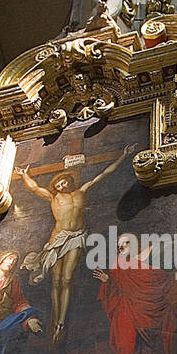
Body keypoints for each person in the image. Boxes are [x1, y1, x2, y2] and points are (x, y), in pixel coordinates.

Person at [15, 144, 136, 342]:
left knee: (67, 278)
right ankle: (55, 320)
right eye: (58, 185)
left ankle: (61, 322)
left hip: (77, 236)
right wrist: (23, 175)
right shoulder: (53, 197)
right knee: (56, 280)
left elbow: (103, 174)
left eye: (63, 182)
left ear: (68, 181)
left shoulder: (82, 191)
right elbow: (35, 188)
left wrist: (123, 156)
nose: (61, 186)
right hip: (57, 238)